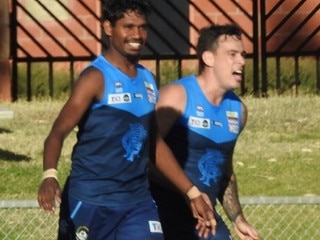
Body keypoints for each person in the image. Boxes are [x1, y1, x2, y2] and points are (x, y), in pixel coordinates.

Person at [37, 0, 215, 239]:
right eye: (128, 26)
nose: (137, 34)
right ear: (108, 28)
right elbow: (58, 132)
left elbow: (152, 143)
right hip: (91, 200)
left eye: (142, 27)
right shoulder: (95, 78)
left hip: (137, 202)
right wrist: (50, 175)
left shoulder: (147, 79)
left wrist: (191, 192)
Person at [149, 23, 260, 240]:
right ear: (208, 58)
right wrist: (189, 191)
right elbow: (145, 152)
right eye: (232, 54)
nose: (242, 61)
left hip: (203, 217)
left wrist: (237, 217)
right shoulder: (177, 95)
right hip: (158, 209)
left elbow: (224, 171)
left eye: (243, 55)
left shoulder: (238, 111)